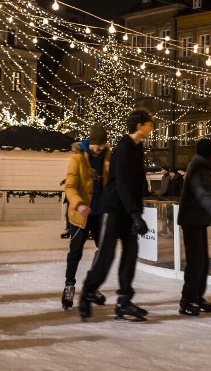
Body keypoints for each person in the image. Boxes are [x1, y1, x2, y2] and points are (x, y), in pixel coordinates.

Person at [79, 109, 153, 322]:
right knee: (107, 255)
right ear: (139, 125)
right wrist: (134, 214)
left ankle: (124, 301)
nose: (151, 127)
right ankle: (88, 292)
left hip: (129, 211)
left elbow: (137, 184)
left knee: (130, 255)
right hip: (113, 210)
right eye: (149, 123)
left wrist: (137, 213)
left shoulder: (138, 148)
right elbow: (121, 184)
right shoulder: (122, 149)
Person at [61, 123, 111, 310]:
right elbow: (70, 187)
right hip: (80, 214)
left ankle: (92, 286)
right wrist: (79, 203)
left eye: (104, 143)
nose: (101, 147)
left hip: (99, 215)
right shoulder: (78, 158)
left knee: (103, 251)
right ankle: (69, 286)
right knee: (76, 252)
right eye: (98, 144)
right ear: (91, 142)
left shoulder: (107, 156)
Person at [177, 138, 211, 316]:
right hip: (191, 219)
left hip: (198, 219)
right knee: (195, 262)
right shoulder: (198, 167)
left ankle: (196, 296)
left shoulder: (202, 166)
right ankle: (187, 300)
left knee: (202, 261)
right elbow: (201, 191)